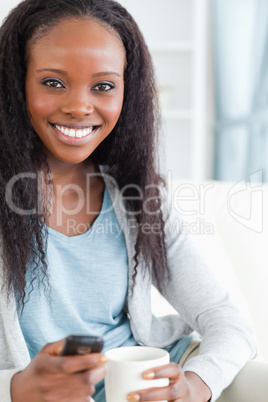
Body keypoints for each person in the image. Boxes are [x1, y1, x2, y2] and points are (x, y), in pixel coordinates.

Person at [0, 0, 258, 401]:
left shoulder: (140, 197)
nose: (79, 107)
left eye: (103, 86)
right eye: (53, 82)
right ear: (16, 82)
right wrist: (16, 388)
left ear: (126, 90)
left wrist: (194, 387)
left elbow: (228, 323)